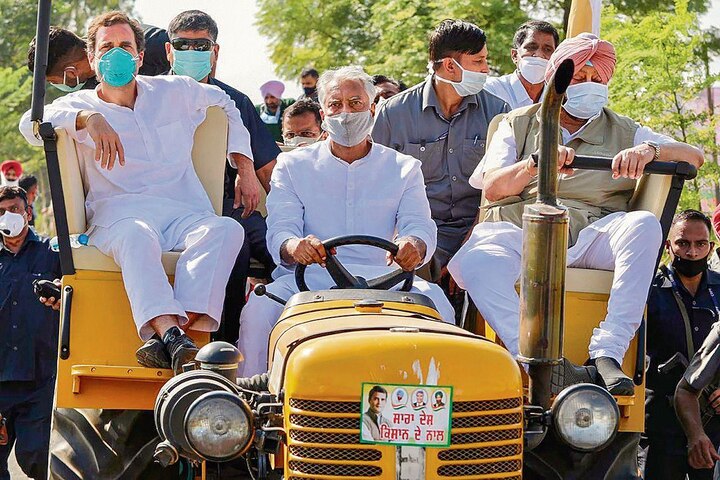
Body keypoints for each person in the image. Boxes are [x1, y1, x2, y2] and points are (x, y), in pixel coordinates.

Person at [448, 33, 704, 395]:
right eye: (579, 79)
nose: (589, 86)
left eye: (596, 79)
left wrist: (649, 150)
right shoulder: (517, 122)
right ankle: (531, 358)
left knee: (644, 225)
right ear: (558, 80)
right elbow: (493, 187)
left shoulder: (625, 129)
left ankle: (607, 352)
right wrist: (537, 163)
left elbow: (694, 156)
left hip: (591, 235)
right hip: (523, 232)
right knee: (477, 263)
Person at [18, 11, 255, 373]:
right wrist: (87, 120)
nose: (117, 54)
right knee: (136, 235)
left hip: (181, 212)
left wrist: (244, 167)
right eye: (107, 47)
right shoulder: (77, 105)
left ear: (141, 57)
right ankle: (171, 335)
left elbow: (226, 102)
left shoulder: (175, 90)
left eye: (125, 46)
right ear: (93, 59)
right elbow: (29, 125)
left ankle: (174, 336)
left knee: (227, 229)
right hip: (119, 215)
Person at [238, 66, 455, 377]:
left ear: (372, 109)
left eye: (355, 103)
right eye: (335, 104)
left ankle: (437, 413)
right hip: (308, 282)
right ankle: (249, 409)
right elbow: (281, 232)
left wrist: (414, 244)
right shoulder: (292, 165)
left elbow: (419, 226)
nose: (345, 113)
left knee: (440, 307)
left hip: (388, 283)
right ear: (324, 113)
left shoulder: (404, 168)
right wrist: (294, 246)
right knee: (258, 312)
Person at [164, 9, 279, 346]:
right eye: (182, 45)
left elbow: (268, 171)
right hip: (168, 204)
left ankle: (244, 346)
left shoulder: (237, 102)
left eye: (201, 46)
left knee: (281, 247)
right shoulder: (147, 97)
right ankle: (204, 343)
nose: (191, 52)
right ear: (169, 51)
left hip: (230, 207)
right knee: (233, 245)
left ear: (215, 52)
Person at [372, 19, 510, 286]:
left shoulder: (498, 111)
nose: (486, 69)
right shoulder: (394, 114)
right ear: (450, 66)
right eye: (479, 62)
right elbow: (377, 186)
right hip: (415, 232)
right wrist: (410, 240)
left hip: (479, 230)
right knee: (407, 276)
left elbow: (497, 193)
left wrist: (467, 246)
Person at [644, 210, 720, 479]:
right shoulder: (648, 290)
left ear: (711, 248)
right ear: (668, 246)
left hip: (712, 421)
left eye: (700, 244)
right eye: (683, 243)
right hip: (661, 422)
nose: (691, 252)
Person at [0, 186, 61, 480]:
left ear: (28, 213)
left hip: (39, 379)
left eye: (13, 209)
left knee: (37, 458)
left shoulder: (51, 254)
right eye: (1, 211)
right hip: (0, 378)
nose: (8, 216)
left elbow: (76, 292)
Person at [27, 25, 169, 93]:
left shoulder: (146, 41)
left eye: (54, 81)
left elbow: (187, 50)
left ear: (70, 73)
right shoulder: (89, 91)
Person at [484, 20, 559, 109]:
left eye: (547, 49)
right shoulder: (491, 91)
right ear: (515, 55)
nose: (539, 55)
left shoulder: (558, 100)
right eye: (531, 47)